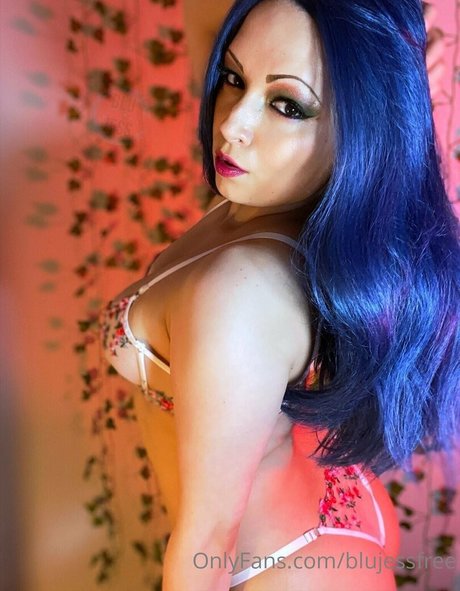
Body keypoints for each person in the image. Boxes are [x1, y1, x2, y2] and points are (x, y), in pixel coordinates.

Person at [100, 0, 459, 589]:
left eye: (287, 105)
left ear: (362, 129)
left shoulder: (239, 294)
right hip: (337, 501)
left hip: (285, 566)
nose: (231, 125)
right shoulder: (269, 204)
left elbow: (207, 542)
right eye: (233, 78)